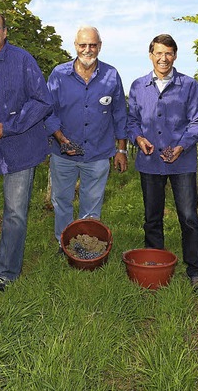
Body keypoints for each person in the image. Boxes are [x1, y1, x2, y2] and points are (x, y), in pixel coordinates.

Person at [0, 10, 53, 293]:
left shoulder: (23, 60)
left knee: (15, 213)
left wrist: (8, 126)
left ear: (4, 32)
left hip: (19, 146)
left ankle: (6, 275)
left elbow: (43, 100)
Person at [126, 34, 198, 291]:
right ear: (150, 55)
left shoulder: (189, 86)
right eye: (158, 53)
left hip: (182, 162)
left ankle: (195, 270)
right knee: (152, 217)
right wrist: (138, 138)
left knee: (188, 217)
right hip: (150, 162)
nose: (163, 58)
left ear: (175, 55)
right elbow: (131, 120)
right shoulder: (139, 86)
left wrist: (181, 146)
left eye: (168, 53)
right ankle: (154, 264)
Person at [45, 26, 128, 249]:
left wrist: (121, 150)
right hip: (63, 153)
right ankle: (65, 246)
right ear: (75, 46)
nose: (88, 50)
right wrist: (61, 138)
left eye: (93, 45)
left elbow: (120, 113)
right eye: (83, 45)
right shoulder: (59, 75)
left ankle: (85, 247)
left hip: (98, 153)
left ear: (100, 46)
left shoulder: (111, 75)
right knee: (62, 202)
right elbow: (47, 110)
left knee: (92, 204)